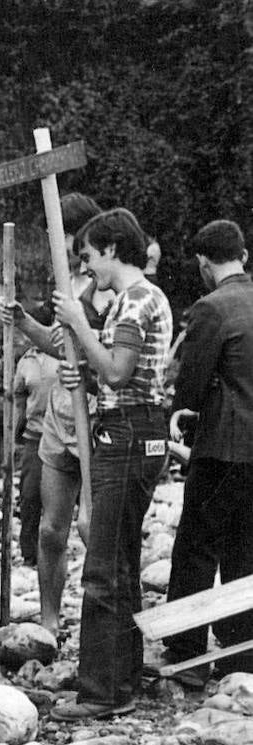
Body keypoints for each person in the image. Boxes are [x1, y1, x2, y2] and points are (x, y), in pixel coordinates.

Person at [48, 208, 172, 720]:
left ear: (112, 250)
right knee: (120, 561)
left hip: (127, 434)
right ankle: (124, 674)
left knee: (103, 566)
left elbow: (119, 373)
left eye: (90, 256)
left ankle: (103, 691)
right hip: (137, 431)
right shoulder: (140, 298)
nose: (87, 267)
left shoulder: (135, 301)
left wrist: (79, 323)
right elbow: (119, 371)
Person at [0, 192, 108, 633]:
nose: (51, 241)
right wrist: (23, 321)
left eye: (55, 231)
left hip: (97, 417)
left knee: (93, 524)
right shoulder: (67, 286)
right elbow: (59, 344)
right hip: (59, 417)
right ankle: (49, 619)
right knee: (49, 529)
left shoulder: (103, 287)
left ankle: (105, 620)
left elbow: (108, 356)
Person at [164, 219, 253, 679]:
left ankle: (186, 653)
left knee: (197, 546)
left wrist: (181, 413)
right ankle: (242, 652)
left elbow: (191, 381)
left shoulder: (211, 308)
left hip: (222, 447)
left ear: (203, 261)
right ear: (242, 253)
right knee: (245, 548)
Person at [12, 345, 58, 566]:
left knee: (59, 496)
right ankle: (29, 553)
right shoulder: (25, 361)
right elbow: (19, 399)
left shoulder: (61, 351)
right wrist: (13, 435)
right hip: (34, 435)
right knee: (29, 495)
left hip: (61, 434)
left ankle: (58, 548)